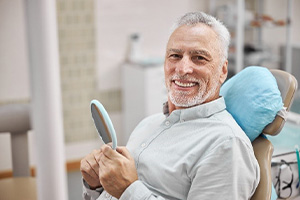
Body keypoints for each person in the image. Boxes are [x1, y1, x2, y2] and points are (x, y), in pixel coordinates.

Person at [80, 11, 260, 200]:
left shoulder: (226, 145)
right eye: (175, 55)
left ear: (223, 70)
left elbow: (125, 191)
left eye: (199, 58)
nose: (182, 69)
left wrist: (128, 189)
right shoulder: (148, 124)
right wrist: (96, 186)